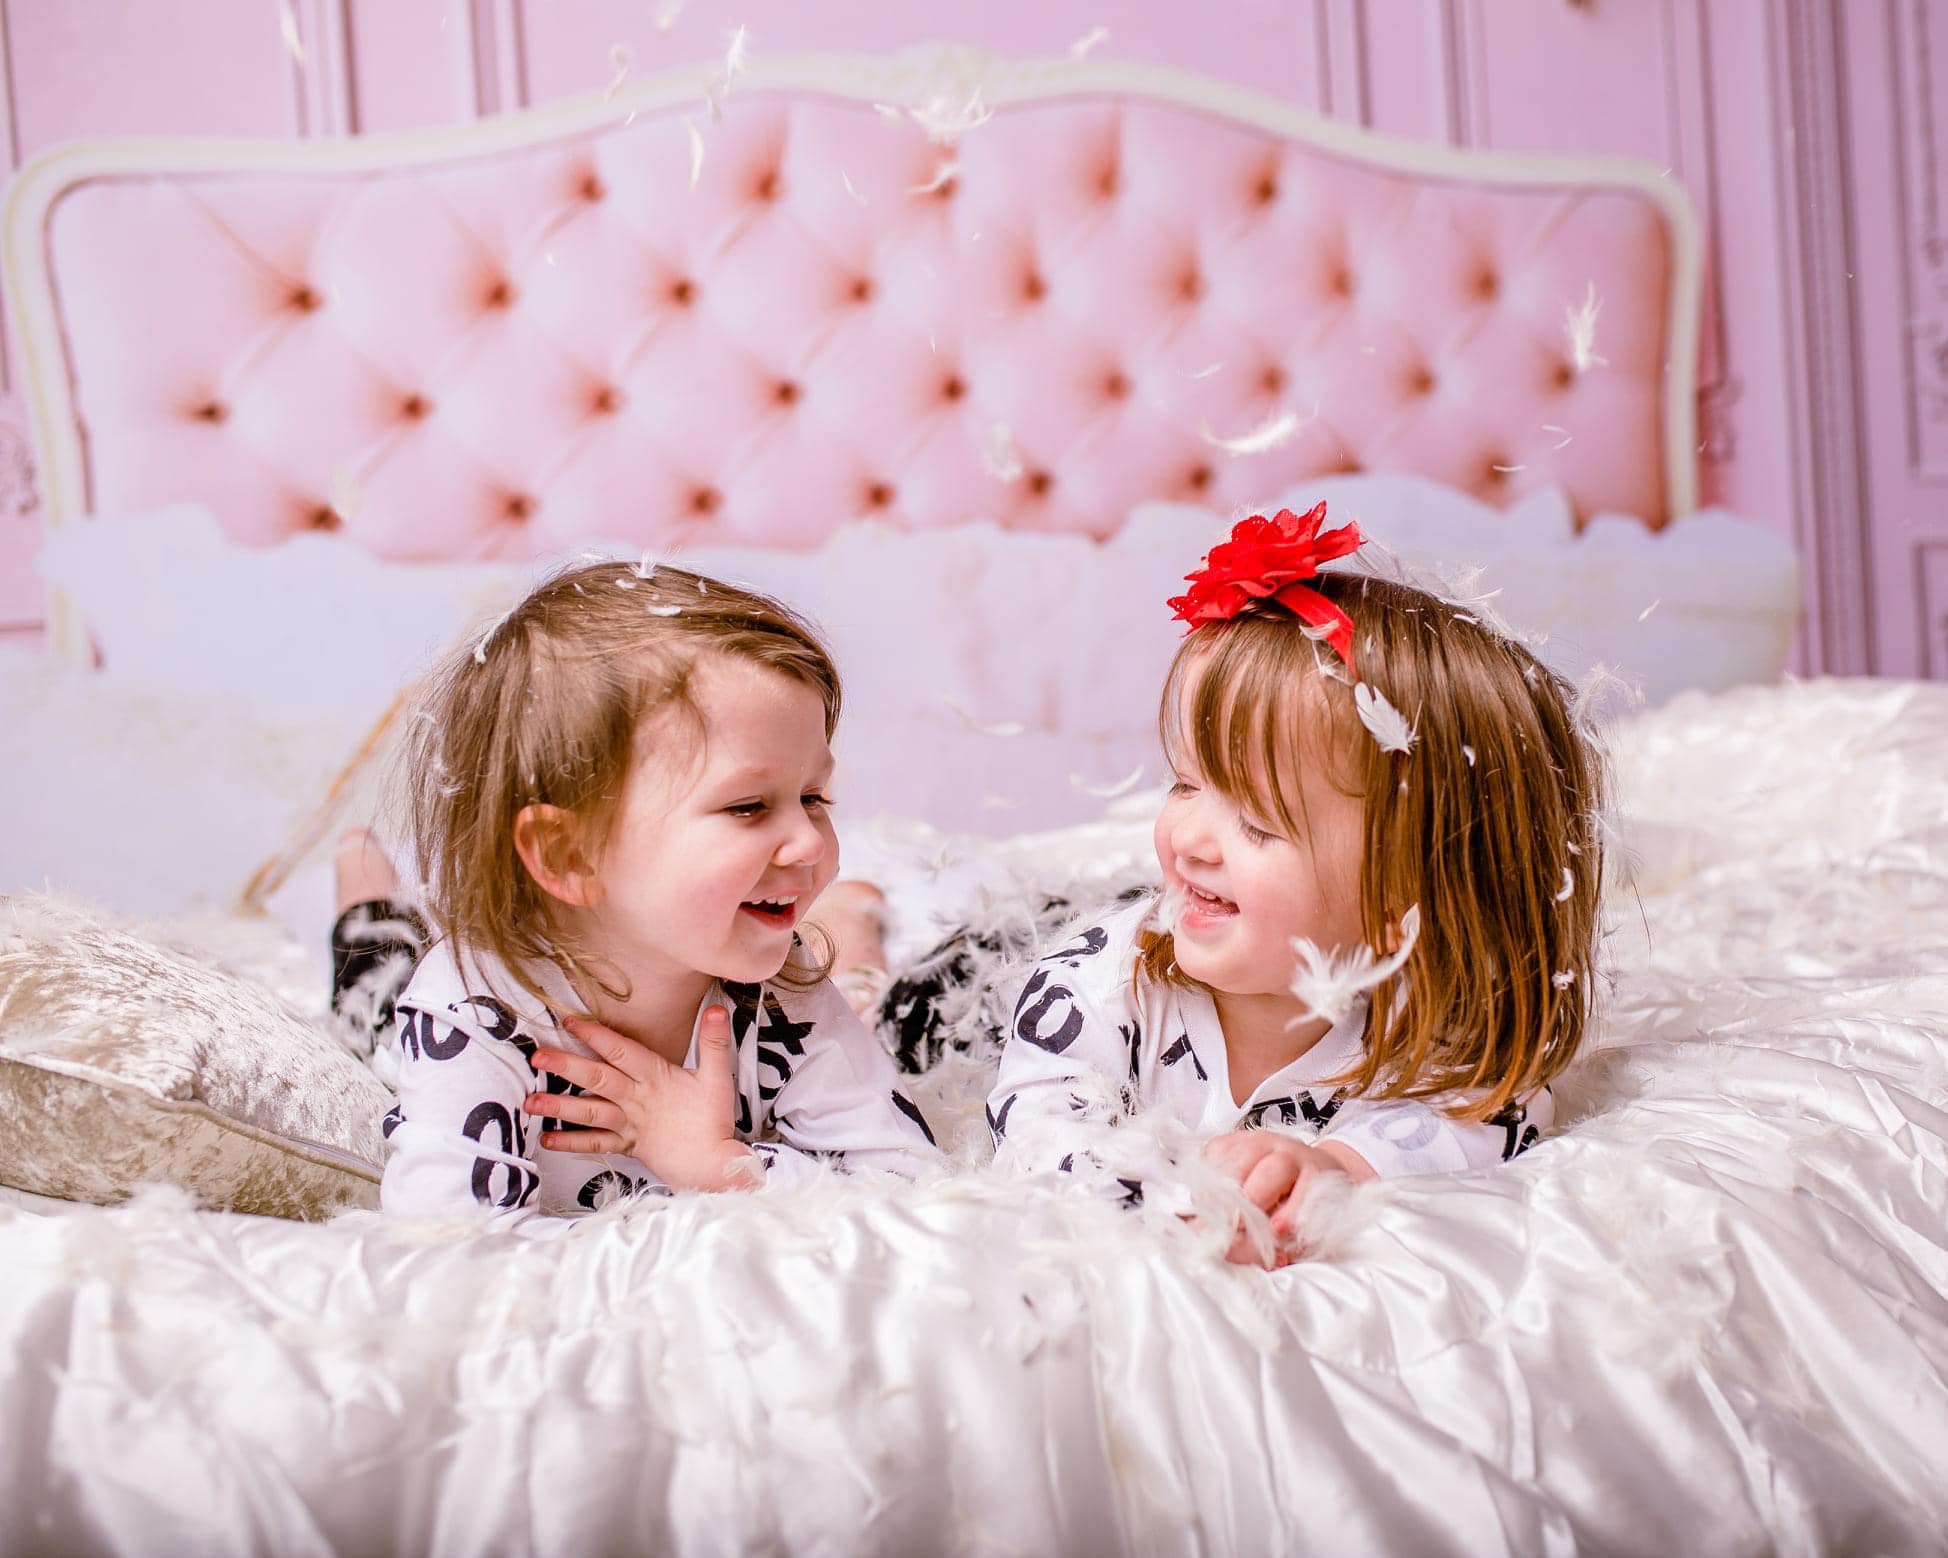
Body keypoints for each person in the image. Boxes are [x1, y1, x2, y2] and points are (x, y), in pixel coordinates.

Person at [983, 502, 1605, 1265]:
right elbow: (1036, 1122)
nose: (1190, 839)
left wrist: (1338, 1165)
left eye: (1256, 821)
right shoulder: (1099, 984)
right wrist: (1171, 1212)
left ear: (1399, 906)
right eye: (1184, 785)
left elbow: (1493, 1105)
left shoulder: (1424, 1018)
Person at [345, 559, 940, 1221]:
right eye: (747, 806)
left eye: (814, 797)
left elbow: (915, 1192)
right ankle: (365, 900)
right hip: (405, 1008)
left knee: (862, 996)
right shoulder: (472, 1009)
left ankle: (852, 924)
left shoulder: (783, 985)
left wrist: (720, 1164)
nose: (809, 843)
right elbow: (452, 1247)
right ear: (569, 854)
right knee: (373, 988)